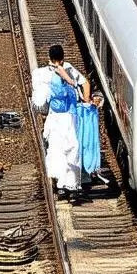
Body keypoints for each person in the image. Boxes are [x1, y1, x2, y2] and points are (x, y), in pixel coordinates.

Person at [43, 44, 89, 200]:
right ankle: (63, 184)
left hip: (67, 115)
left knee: (69, 148)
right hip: (60, 116)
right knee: (61, 149)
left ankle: (71, 184)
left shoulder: (67, 69)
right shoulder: (46, 73)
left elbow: (83, 83)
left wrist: (85, 100)